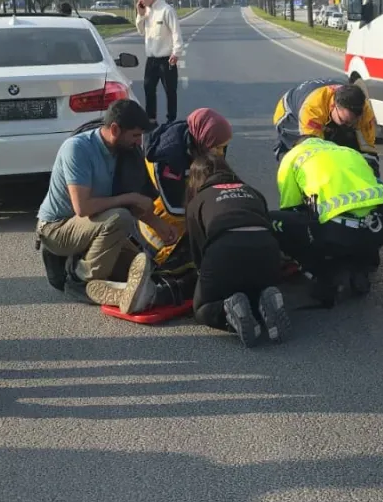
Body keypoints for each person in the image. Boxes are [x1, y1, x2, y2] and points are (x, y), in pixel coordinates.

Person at [36, 99, 177, 312]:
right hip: (57, 229)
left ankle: (123, 288)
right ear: (115, 129)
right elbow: (82, 208)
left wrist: (160, 226)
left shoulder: (126, 151)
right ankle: (81, 279)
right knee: (120, 217)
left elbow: (134, 202)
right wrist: (130, 197)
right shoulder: (78, 148)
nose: (139, 142)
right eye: (135, 135)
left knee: (144, 267)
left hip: (93, 226)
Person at [270, 137, 383, 306]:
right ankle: (361, 262)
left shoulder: (293, 157)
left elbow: (290, 208)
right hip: (381, 228)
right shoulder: (349, 151)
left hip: (338, 234)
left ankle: (323, 273)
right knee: (360, 216)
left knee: (276, 221)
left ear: (296, 146)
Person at [185, 152, 287, 347]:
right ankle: (263, 302)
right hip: (267, 249)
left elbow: (198, 252)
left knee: (201, 309)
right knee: (253, 289)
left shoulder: (198, 201)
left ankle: (227, 311)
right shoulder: (252, 191)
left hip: (225, 250)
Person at [138, 108, 234, 280]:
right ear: (204, 140)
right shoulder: (168, 158)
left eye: (224, 147)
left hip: (183, 213)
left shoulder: (200, 144)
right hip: (160, 224)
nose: (221, 153)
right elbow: (173, 207)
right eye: (218, 148)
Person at [272, 79, 380, 175]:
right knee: (310, 161)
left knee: (350, 145)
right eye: (344, 121)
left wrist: (372, 174)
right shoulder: (313, 108)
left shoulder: (366, 113)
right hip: (291, 117)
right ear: (334, 106)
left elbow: (368, 149)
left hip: (327, 115)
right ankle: (283, 148)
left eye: (353, 122)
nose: (349, 125)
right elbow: (313, 149)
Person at [134, 0, 182, 127]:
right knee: (148, 88)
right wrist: (140, 15)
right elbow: (140, 31)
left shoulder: (166, 10)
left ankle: (171, 119)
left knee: (170, 90)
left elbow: (176, 32)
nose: (139, 1)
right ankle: (151, 119)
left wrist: (176, 52)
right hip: (151, 58)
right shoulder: (146, 11)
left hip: (167, 58)